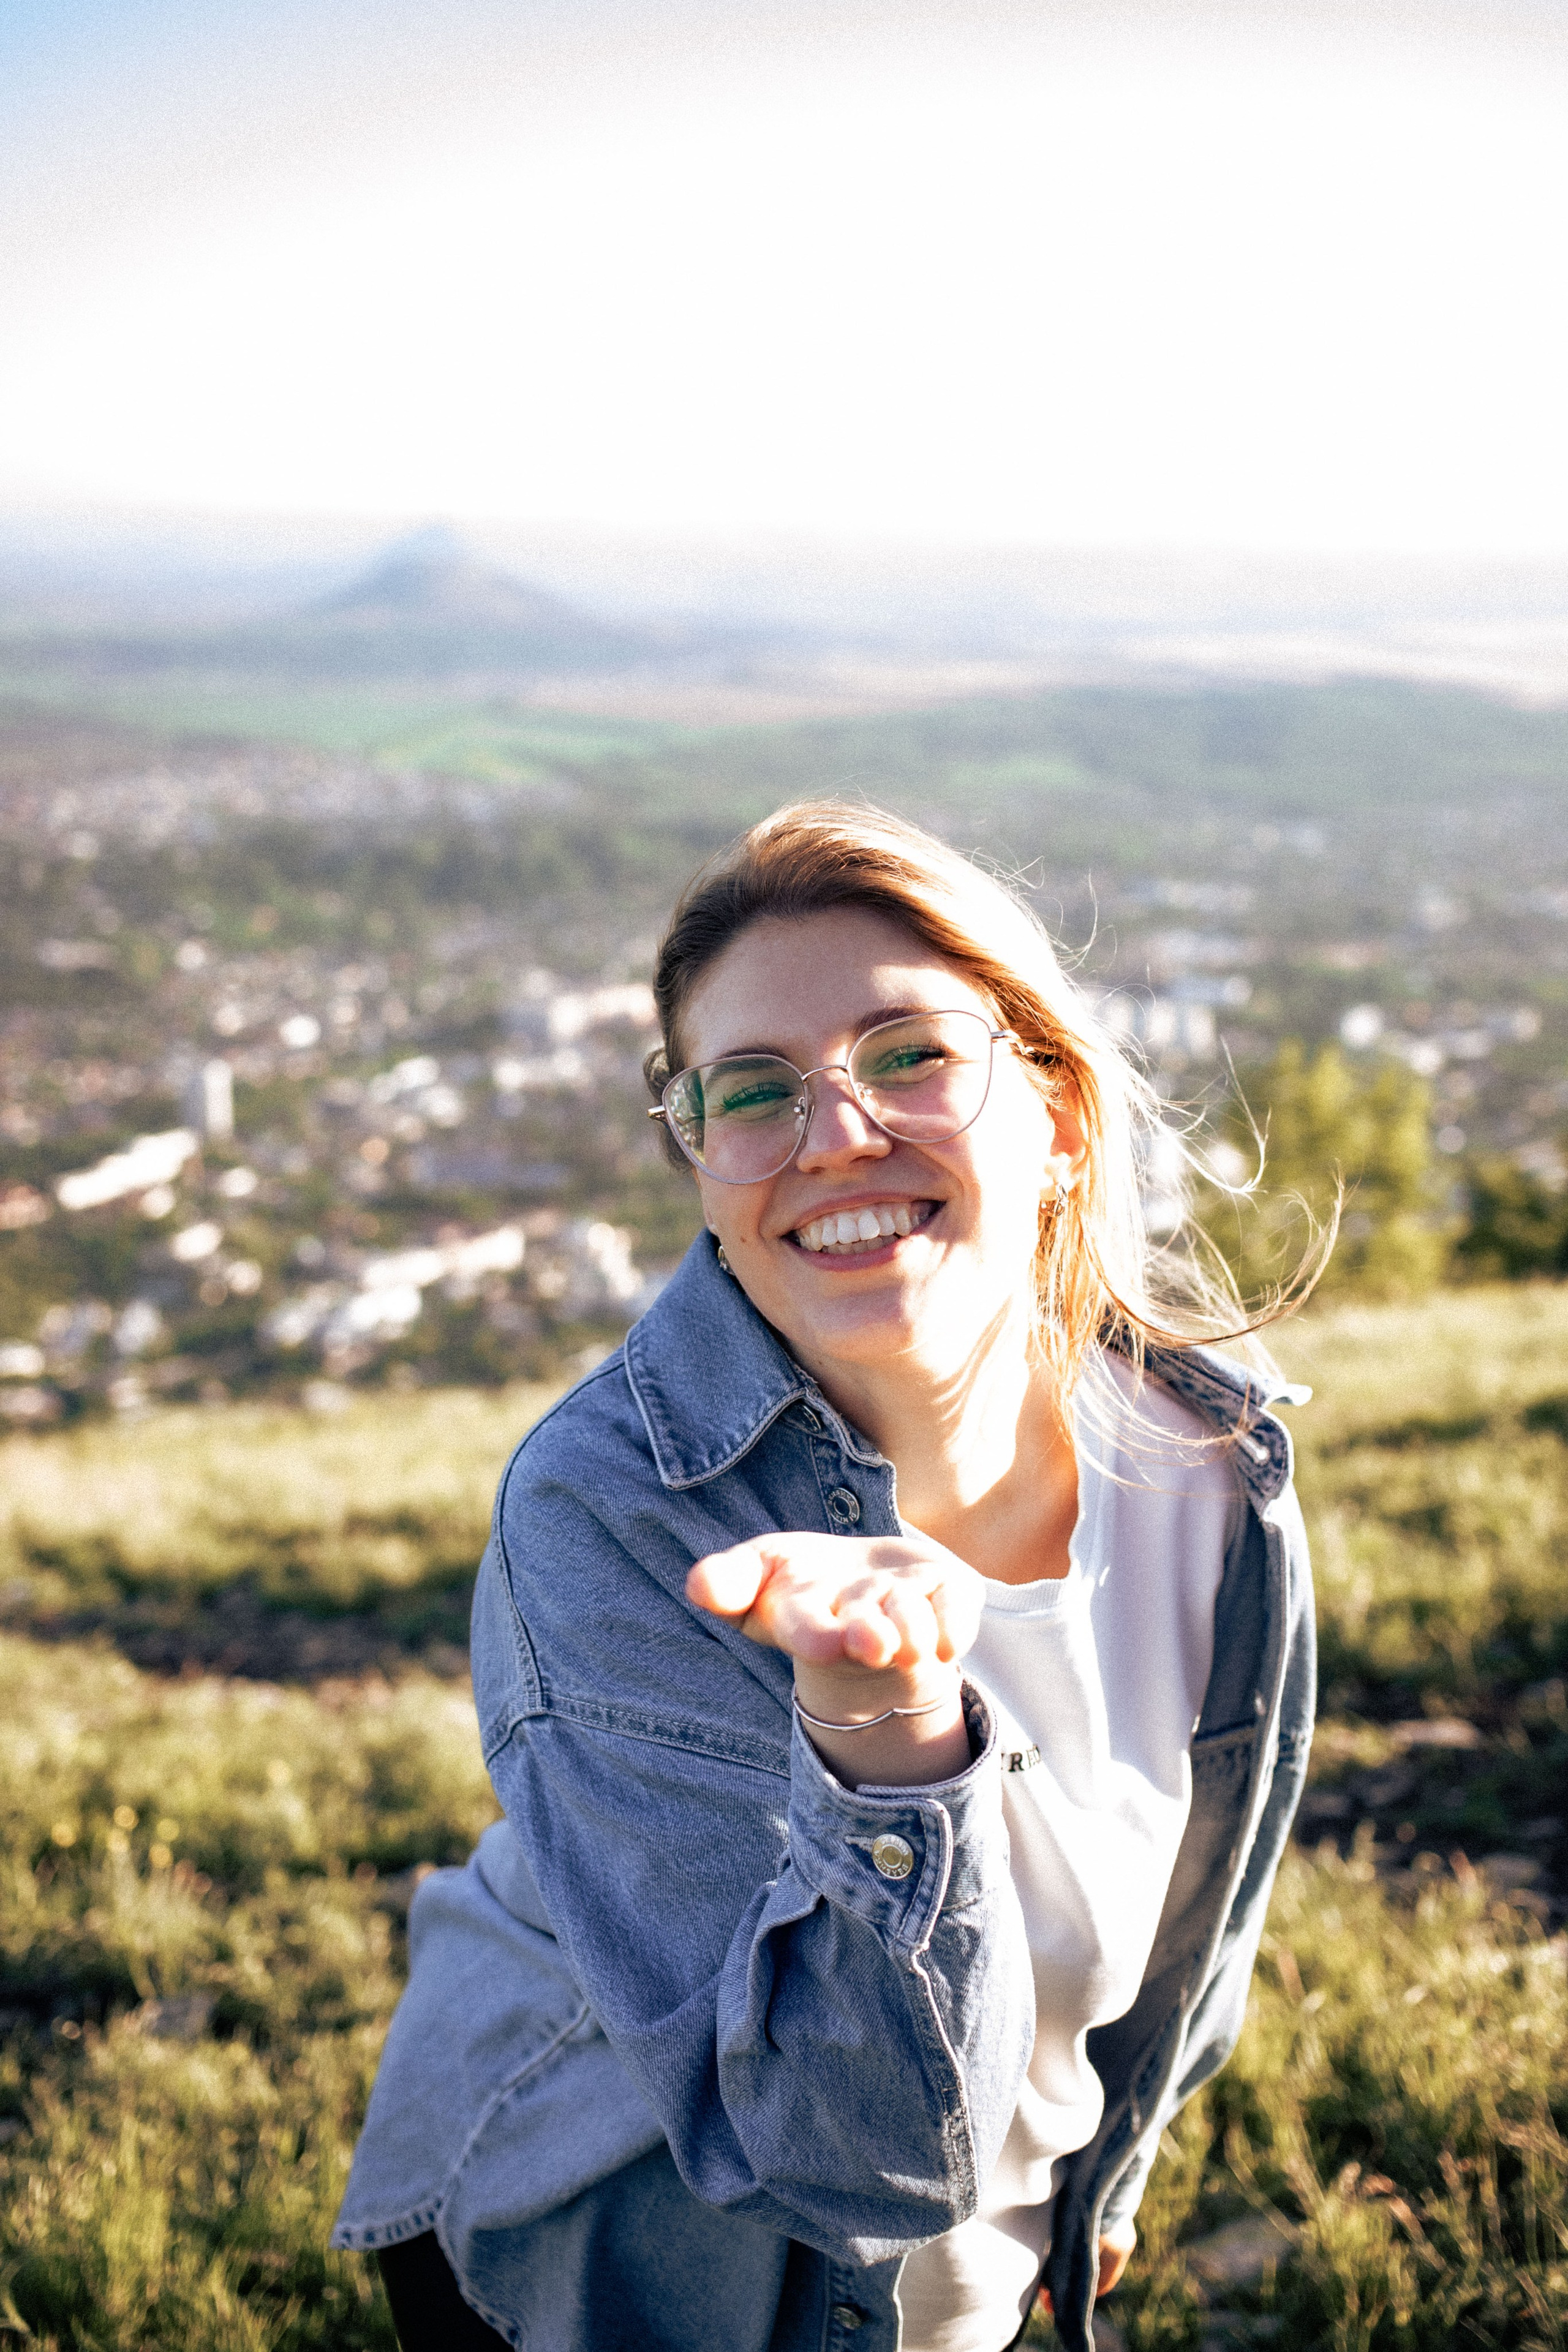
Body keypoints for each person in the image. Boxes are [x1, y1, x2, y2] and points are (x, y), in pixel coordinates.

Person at [333, 802, 1317, 2352]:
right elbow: (841, 2157)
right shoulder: (602, 1513)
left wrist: (1099, 2190)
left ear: (1055, 1109)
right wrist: (885, 1744)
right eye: (753, 1091)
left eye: (910, 1055)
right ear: (702, 1157)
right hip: (620, 2261)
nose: (835, 1136)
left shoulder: (1216, 1460)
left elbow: (1210, 1893)